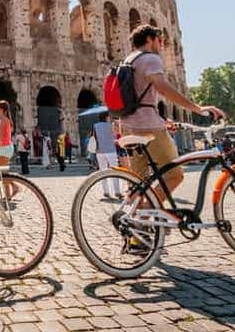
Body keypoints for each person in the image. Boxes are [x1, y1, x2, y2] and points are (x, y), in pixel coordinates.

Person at [119, 25, 224, 253]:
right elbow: (162, 88)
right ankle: (146, 215)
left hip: (128, 126)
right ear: (150, 39)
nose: (162, 45)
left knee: (139, 184)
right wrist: (197, 108)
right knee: (175, 174)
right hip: (148, 128)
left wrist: (163, 120)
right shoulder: (150, 58)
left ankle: (137, 238)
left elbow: (139, 97)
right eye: (160, 40)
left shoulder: (129, 59)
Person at [93, 113, 121, 199]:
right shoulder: (111, 125)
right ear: (106, 117)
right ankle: (117, 192)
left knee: (103, 172)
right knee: (115, 171)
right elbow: (118, 133)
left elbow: (94, 137)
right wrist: (116, 123)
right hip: (110, 150)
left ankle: (106, 191)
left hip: (99, 151)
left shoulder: (95, 125)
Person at [0, 100, 18, 199]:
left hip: (5, 147)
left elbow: (3, 136)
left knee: (0, 171)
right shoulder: (5, 119)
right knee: (2, 172)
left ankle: (14, 187)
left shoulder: (4, 120)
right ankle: (10, 191)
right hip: (6, 147)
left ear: (1, 109)